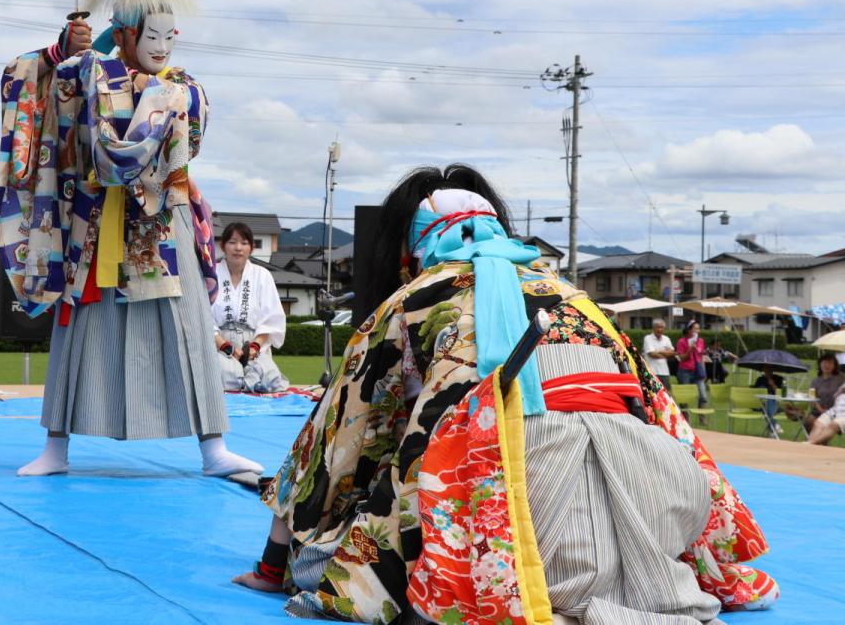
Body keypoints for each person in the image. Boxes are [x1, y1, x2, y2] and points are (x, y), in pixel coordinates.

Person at [233, 165, 776, 623]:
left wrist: (275, 564)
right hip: (648, 505)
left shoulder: (412, 302)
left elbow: (335, 441)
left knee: (323, 559)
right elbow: (669, 424)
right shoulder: (579, 300)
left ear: (412, 245)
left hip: (508, 522)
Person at [4, 0, 260, 479]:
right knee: (77, 328)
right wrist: (62, 51)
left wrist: (127, 83)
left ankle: (214, 450)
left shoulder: (182, 87)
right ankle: (55, 448)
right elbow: (29, 83)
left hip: (162, 219)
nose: (161, 47)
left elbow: (183, 136)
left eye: (169, 36)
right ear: (123, 34)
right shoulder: (86, 73)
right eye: (150, 36)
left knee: (188, 326)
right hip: (95, 218)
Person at [212, 222, 289, 394]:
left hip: (254, 344)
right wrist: (226, 347)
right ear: (223, 246)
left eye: (244, 243)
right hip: (219, 344)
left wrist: (255, 347)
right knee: (226, 377)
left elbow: (271, 318)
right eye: (232, 242)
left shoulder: (262, 275)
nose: (238, 248)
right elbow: (203, 317)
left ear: (251, 248)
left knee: (270, 380)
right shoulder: (211, 275)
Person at [800, 354, 845, 432]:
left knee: (824, 425)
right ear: (820, 364)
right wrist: (821, 410)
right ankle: (814, 439)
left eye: (830, 363)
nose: (827, 365)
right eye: (824, 363)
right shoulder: (816, 381)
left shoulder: (841, 378)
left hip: (837, 411)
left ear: (834, 366)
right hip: (819, 410)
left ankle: (819, 439)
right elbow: (812, 398)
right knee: (808, 422)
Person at [676, 320, 708, 405]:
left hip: (698, 370)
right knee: (685, 397)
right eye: (695, 329)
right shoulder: (682, 341)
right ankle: (684, 413)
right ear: (689, 330)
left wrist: (704, 371)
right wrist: (690, 349)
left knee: (703, 396)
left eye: (698, 329)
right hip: (685, 371)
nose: (697, 331)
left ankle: (702, 413)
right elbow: (682, 358)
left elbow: (701, 357)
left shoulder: (700, 341)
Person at [642, 318, 675, 392]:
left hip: (665, 372)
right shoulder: (648, 338)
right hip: (652, 371)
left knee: (665, 393)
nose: (659, 329)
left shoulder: (666, 339)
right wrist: (666, 354)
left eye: (661, 327)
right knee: (654, 392)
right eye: (658, 327)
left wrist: (659, 351)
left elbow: (672, 353)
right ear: (653, 328)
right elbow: (652, 354)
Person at [751, 366, 786, 435]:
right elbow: (754, 393)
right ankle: (774, 427)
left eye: (770, 369)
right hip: (759, 405)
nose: (767, 371)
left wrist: (773, 384)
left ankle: (773, 428)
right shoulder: (760, 380)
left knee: (769, 402)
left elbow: (782, 394)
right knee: (767, 403)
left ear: (773, 369)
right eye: (766, 369)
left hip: (776, 405)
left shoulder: (779, 379)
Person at [808, 380, 845, 446]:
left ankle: (811, 443)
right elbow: (835, 397)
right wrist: (841, 391)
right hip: (834, 411)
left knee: (834, 425)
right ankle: (812, 447)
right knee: (818, 424)